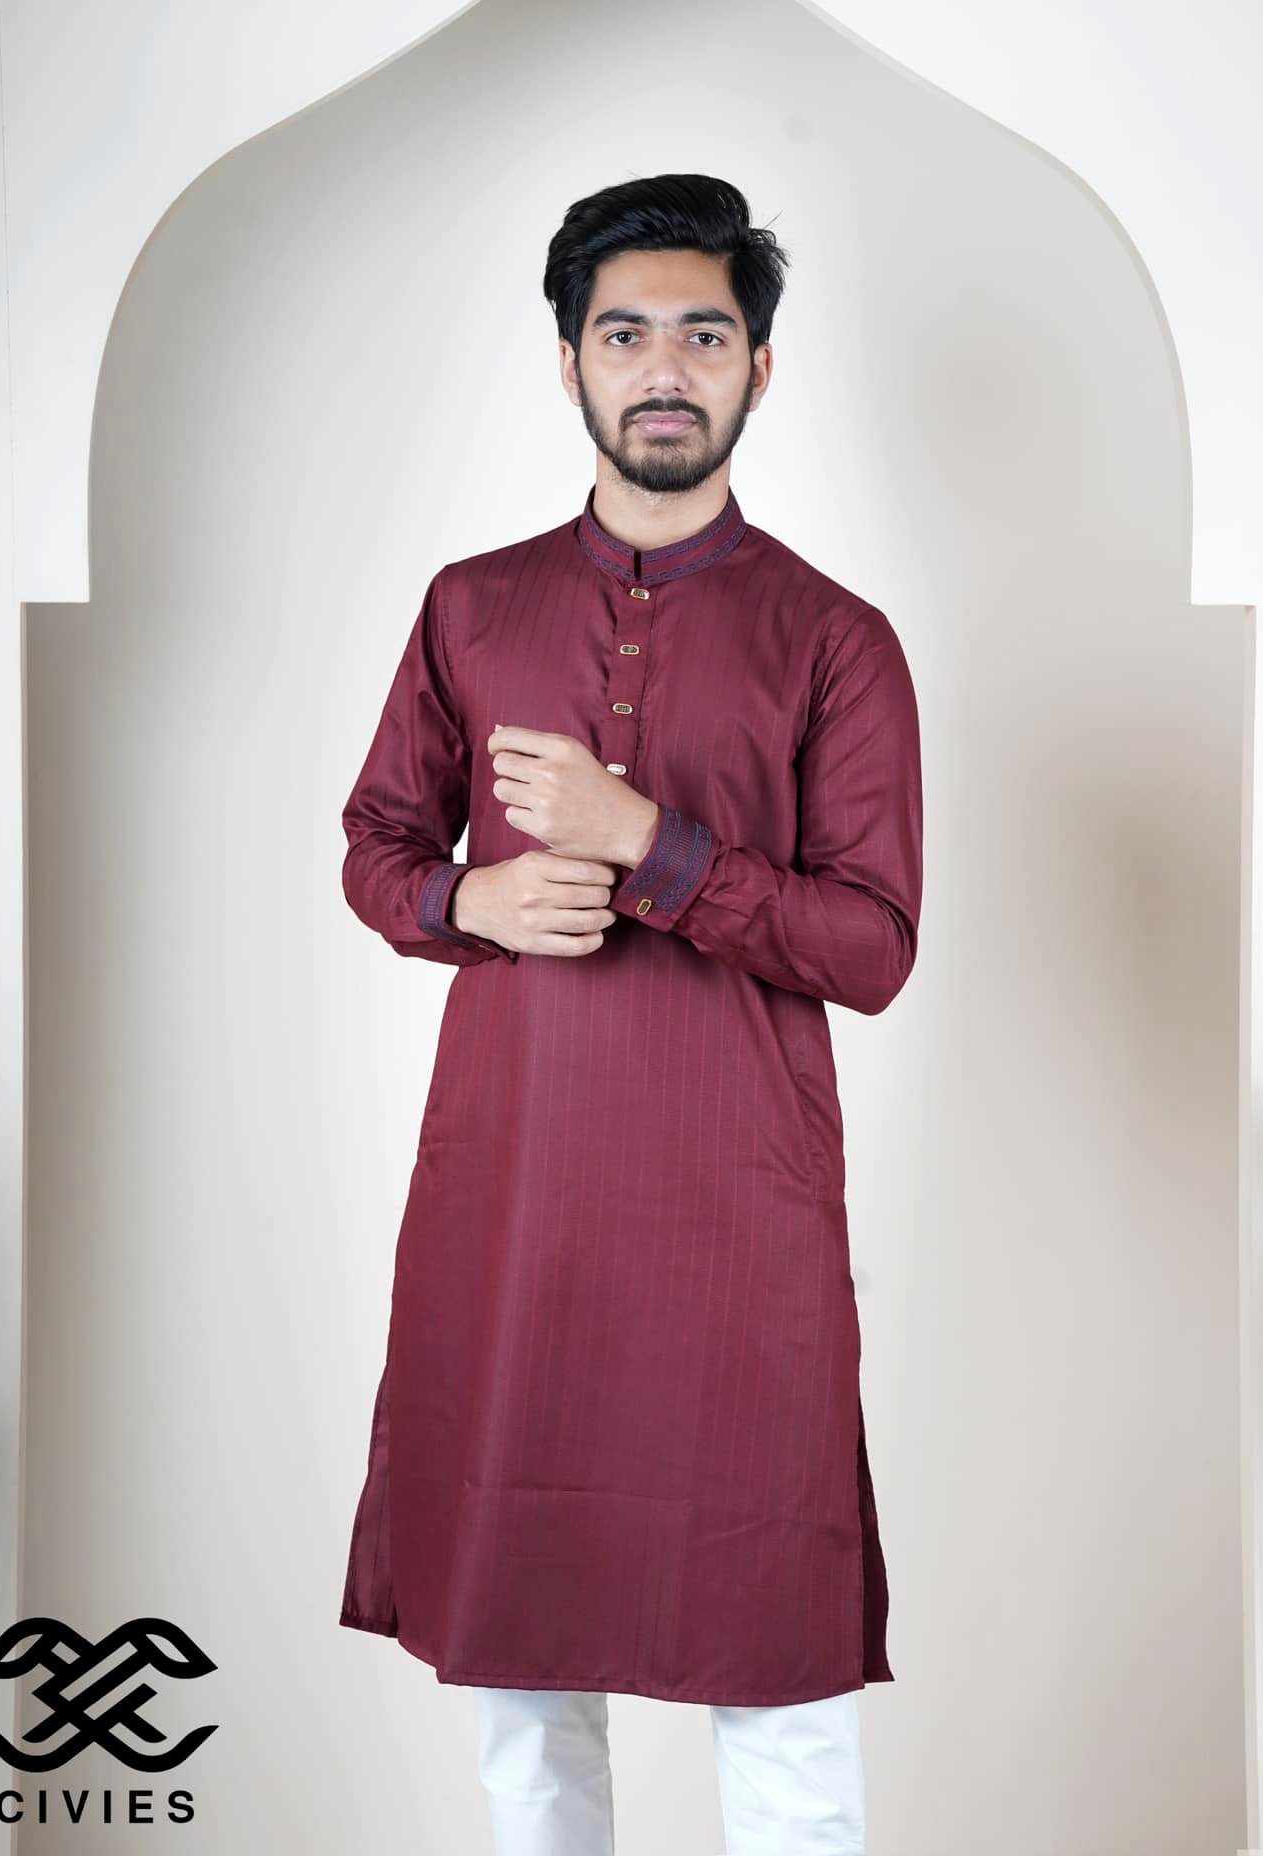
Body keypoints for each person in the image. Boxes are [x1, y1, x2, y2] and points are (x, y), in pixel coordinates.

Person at [338, 172, 924, 1854]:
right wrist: (468, 903)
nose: (663, 367)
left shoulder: (833, 638)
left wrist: (648, 845)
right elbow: (379, 846)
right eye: (624, 333)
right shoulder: (473, 606)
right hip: (514, 1204)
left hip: (738, 1222)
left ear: (758, 367)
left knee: (779, 1674)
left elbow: (870, 945)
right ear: (569, 361)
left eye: (703, 334)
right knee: (522, 1688)